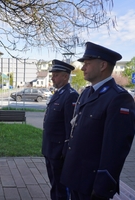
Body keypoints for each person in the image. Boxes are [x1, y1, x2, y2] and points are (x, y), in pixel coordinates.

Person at [60, 42, 135, 200]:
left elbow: (116, 149)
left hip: (92, 183)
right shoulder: (87, 93)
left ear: (103, 65)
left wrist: (103, 185)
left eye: (87, 64)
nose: (82, 68)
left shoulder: (119, 98)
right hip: (75, 175)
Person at [42, 59, 79, 200]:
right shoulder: (58, 93)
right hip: (50, 148)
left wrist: (65, 150)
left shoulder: (71, 95)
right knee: (54, 184)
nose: (52, 77)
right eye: (53, 74)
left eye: (56, 74)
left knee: (61, 187)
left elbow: (70, 126)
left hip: (59, 151)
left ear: (65, 76)